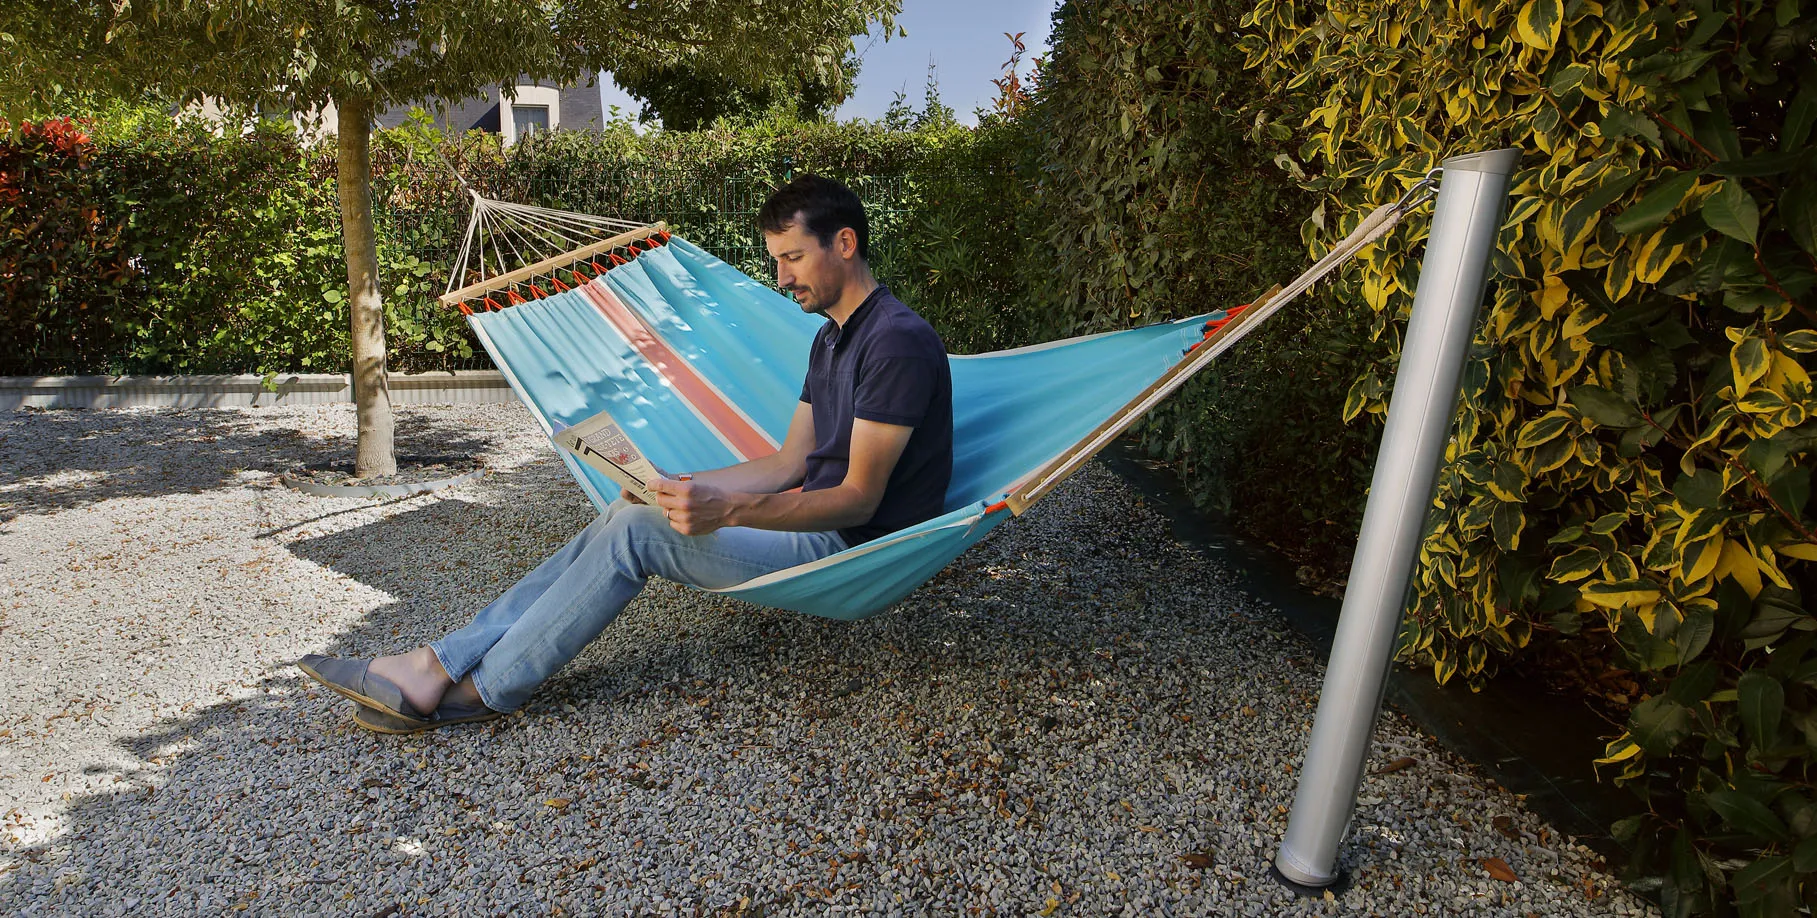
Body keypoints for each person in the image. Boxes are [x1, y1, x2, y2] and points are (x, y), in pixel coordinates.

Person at [300, 175, 955, 733]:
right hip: (813, 518)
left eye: (792, 258)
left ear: (844, 243)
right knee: (631, 511)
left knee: (634, 535)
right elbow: (789, 462)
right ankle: (437, 665)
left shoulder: (894, 344)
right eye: (775, 260)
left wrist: (727, 511)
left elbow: (857, 498)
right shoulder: (830, 340)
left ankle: (486, 687)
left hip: (851, 545)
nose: (780, 278)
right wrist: (677, 483)